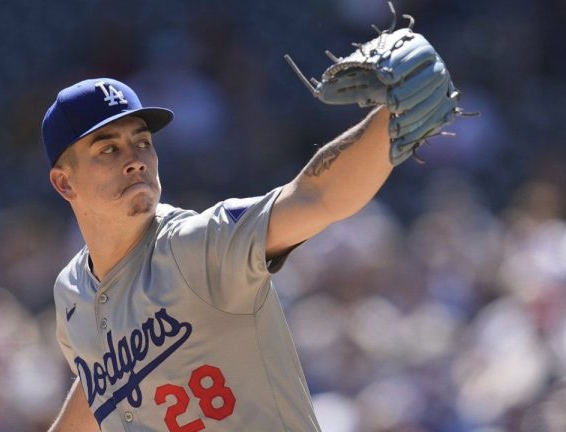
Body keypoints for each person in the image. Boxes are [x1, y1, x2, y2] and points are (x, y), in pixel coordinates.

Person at [42, 28, 462, 427]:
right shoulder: (72, 293)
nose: (134, 159)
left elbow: (315, 197)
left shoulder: (197, 246)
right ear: (64, 182)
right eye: (109, 149)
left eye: (142, 142)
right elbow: (104, 386)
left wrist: (390, 120)